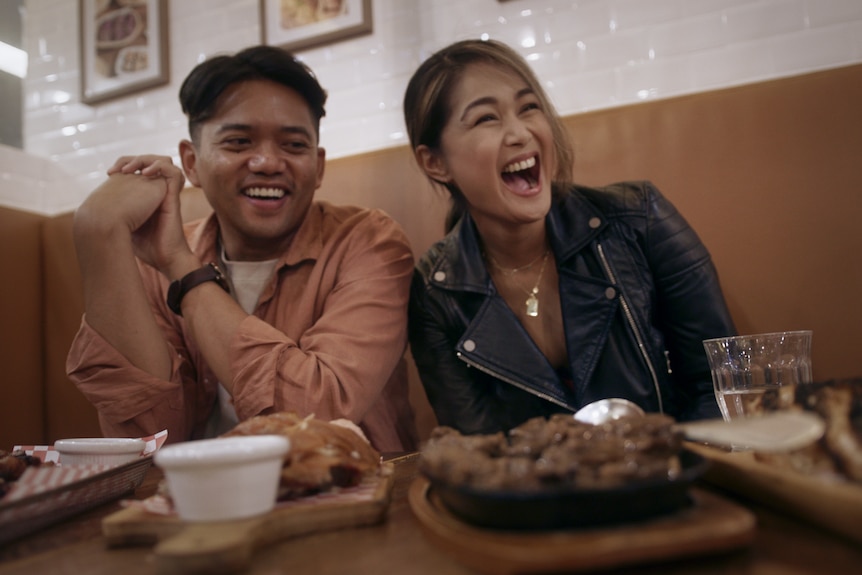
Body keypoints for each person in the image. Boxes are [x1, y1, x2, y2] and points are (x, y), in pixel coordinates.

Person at [67, 45, 418, 452]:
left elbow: (316, 414)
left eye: (293, 145)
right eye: (238, 142)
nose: (268, 162)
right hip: (197, 503)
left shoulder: (368, 242)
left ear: (318, 166)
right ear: (192, 161)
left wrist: (184, 269)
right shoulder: (154, 265)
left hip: (343, 500)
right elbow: (147, 441)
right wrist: (101, 234)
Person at [402, 39, 737, 435]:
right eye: (486, 119)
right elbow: (479, 450)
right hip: (538, 495)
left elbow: (720, 386)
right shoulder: (437, 294)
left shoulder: (640, 219)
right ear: (435, 162)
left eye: (529, 108)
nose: (520, 133)